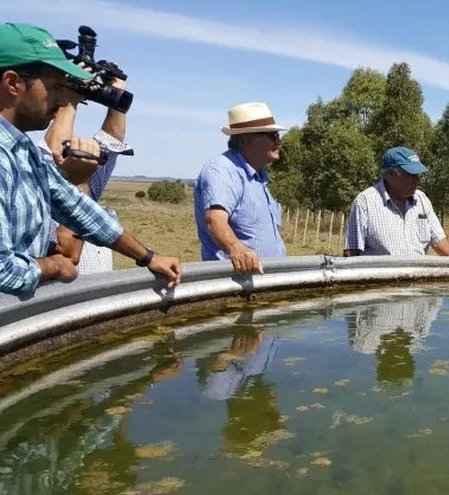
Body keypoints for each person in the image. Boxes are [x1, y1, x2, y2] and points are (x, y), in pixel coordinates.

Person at [0, 22, 181, 296]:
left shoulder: (23, 151)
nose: (63, 99)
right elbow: (3, 270)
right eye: (56, 87)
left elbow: (77, 209)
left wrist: (148, 257)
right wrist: (54, 266)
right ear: (13, 83)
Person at [40, 64, 131, 273]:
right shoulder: (43, 179)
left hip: (99, 299)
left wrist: (117, 99)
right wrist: (70, 99)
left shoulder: (86, 183)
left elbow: (111, 142)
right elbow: (54, 154)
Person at [194, 102, 287, 275]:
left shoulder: (258, 177)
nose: (279, 141)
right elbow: (214, 221)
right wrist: (237, 249)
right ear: (249, 139)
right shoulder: (223, 170)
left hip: (261, 282)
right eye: (273, 135)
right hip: (235, 285)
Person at [343, 146, 449, 266]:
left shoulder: (421, 200)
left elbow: (439, 242)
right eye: (410, 174)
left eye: (417, 175)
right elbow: (351, 253)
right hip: (381, 285)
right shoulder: (365, 202)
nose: (417, 180)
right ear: (390, 175)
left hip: (417, 283)